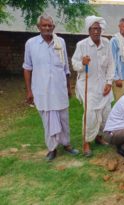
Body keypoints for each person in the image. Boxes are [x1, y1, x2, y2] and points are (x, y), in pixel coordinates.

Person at [23, 13, 78, 161]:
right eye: (44, 25)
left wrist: (68, 88)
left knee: (63, 118)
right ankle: (52, 148)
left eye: (50, 25)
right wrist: (29, 91)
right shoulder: (31, 44)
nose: (47, 28)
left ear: (53, 27)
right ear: (38, 27)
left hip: (59, 88)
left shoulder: (61, 42)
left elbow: (66, 67)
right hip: (42, 90)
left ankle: (66, 144)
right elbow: (27, 68)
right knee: (47, 120)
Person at [72, 16, 115, 156]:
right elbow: (74, 64)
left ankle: (99, 137)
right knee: (90, 115)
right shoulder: (81, 45)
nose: (96, 31)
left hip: (103, 85)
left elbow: (110, 64)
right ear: (89, 30)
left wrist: (109, 82)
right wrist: (82, 63)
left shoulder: (106, 43)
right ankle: (86, 142)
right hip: (88, 86)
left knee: (105, 112)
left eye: (98, 28)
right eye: (93, 29)